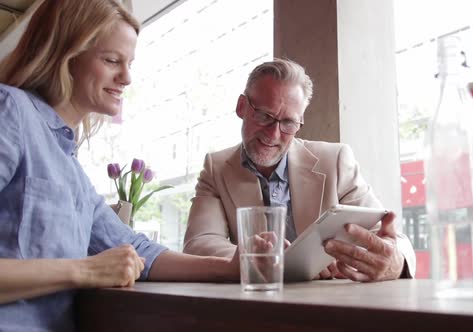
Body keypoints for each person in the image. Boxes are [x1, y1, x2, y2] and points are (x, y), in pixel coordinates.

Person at [0, 1, 238, 331]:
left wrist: (232, 267)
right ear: (65, 56)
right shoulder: (9, 111)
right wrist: (85, 270)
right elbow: (99, 264)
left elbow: (138, 250)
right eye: (112, 60)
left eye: (129, 63)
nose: (127, 77)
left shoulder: (69, 165)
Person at [183, 58, 416, 281]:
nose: (273, 134)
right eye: (264, 116)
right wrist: (260, 259)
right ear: (242, 107)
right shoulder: (216, 168)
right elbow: (200, 243)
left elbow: (388, 237)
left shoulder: (335, 160)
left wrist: (395, 260)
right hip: (254, 305)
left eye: (288, 123)